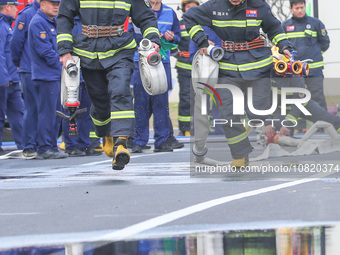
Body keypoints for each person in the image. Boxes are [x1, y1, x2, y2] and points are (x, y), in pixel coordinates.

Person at [183, 0, 293, 167]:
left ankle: (268, 126)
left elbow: (273, 28)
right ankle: (241, 155)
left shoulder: (259, 6)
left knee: (258, 111)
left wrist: (284, 45)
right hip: (228, 68)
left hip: (258, 68)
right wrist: (202, 41)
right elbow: (189, 17)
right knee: (228, 114)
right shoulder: (214, 7)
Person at [56, 0, 161, 170]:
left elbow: (146, 18)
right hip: (88, 52)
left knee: (120, 92)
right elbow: (64, 18)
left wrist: (153, 39)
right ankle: (107, 136)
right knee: (100, 101)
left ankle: (121, 143)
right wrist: (65, 51)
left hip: (120, 51)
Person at [129, 0, 181, 153]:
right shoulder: (136, 10)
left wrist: (172, 37)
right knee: (140, 103)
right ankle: (139, 141)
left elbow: (178, 37)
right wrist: (150, 39)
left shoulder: (170, 13)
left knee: (161, 103)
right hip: (141, 62)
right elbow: (129, 35)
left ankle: (162, 141)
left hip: (162, 61)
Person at [28, 0, 68, 159]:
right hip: (46, 76)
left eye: (57, 3)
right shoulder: (38, 23)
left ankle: (51, 145)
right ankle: (45, 147)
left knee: (54, 113)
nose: (56, 6)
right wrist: (63, 67)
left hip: (53, 75)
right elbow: (46, 52)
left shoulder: (52, 22)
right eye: (52, 3)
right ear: (42, 4)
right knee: (47, 113)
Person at [61, 16, 102, 157]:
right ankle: (71, 145)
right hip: (72, 71)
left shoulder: (90, 20)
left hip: (89, 71)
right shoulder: (67, 22)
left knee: (86, 111)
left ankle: (84, 144)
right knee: (71, 110)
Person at [283, 0, 330, 110]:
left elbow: (325, 43)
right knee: (297, 97)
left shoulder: (316, 23)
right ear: (291, 9)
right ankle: (300, 126)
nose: (300, 10)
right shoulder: (285, 26)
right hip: (295, 70)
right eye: (297, 8)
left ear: (305, 7)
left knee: (318, 97)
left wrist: (316, 54)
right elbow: (282, 46)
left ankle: (321, 125)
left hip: (314, 69)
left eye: (302, 7)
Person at [11, 0, 40, 158]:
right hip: (29, 69)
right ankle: (29, 145)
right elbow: (16, 42)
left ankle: (41, 144)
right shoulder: (27, 14)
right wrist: (18, 63)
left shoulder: (49, 14)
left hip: (41, 70)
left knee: (44, 109)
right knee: (32, 108)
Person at [0, 0, 24, 155]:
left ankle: (25, 145)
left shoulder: (7, 25)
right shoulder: (2, 26)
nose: (17, 8)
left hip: (12, 79)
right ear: (7, 7)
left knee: (19, 112)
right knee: (0, 115)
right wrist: (3, 79)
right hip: (4, 80)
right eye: (15, 5)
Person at [175, 0, 200, 137]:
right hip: (184, 67)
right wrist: (175, 53)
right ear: (184, 8)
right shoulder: (178, 25)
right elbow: (172, 42)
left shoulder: (204, 23)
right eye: (188, 6)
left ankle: (199, 127)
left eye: (193, 6)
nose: (190, 9)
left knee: (201, 98)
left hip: (201, 67)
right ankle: (185, 128)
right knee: (186, 98)